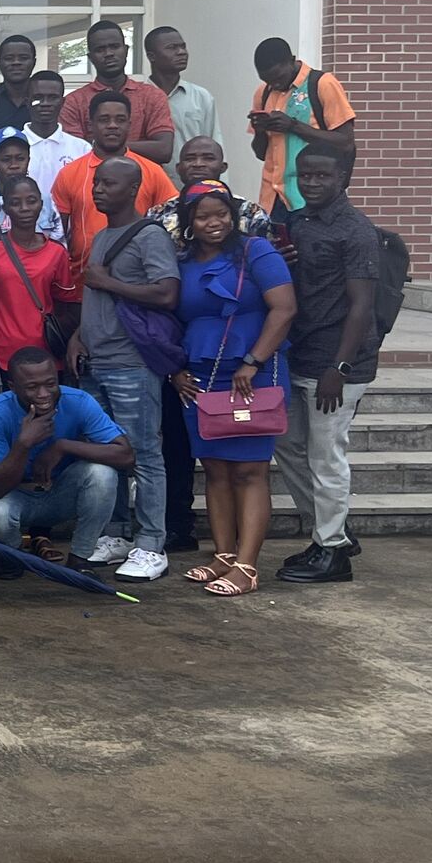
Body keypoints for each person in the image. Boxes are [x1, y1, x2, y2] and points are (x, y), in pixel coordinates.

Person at [171, 180, 297, 597]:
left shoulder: (255, 251)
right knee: (215, 468)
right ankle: (223, 555)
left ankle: (247, 565)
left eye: (222, 214)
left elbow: (284, 309)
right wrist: (174, 369)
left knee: (249, 470)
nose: (214, 223)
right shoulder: (182, 261)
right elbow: (170, 319)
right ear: (188, 221)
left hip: (253, 373)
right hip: (200, 375)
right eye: (203, 216)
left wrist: (253, 360)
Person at [272, 142, 381, 585]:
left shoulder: (356, 230)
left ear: (343, 179)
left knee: (326, 456)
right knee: (286, 444)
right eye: (306, 176)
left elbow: (362, 306)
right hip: (299, 352)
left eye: (323, 176)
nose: (313, 183)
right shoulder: (297, 222)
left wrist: (340, 368)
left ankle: (333, 552)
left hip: (336, 364)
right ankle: (330, 529)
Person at [68, 157, 181, 581]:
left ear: (133, 189)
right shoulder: (102, 236)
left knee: (144, 453)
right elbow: (98, 298)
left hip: (131, 364)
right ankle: (116, 534)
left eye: (108, 184)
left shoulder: (149, 236)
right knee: (108, 450)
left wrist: (108, 282)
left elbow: (167, 294)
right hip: (95, 362)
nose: (98, 190)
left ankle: (151, 544)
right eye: (96, 182)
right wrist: (79, 335)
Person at [0, 348, 134, 574]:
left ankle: (80, 559)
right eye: (32, 387)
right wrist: (23, 444)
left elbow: (126, 455)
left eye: (50, 384)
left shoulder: (78, 401)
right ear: (12, 387)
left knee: (102, 473)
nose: (43, 394)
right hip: (17, 497)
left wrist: (63, 446)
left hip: (61, 493)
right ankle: (14, 554)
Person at [49, 93, 177, 285]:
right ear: (91, 125)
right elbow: (57, 233)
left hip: (138, 284)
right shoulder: (69, 173)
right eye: (104, 119)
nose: (112, 125)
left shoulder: (152, 171)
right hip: (81, 282)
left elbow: (172, 223)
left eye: (120, 120)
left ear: (129, 125)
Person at [248, 36, 358, 218]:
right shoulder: (263, 92)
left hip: (311, 198)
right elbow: (261, 154)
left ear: (292, 60)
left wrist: (292, 126)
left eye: (278, 78)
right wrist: (260, 130)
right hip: (273, 200)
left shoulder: (323, 84)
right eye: (267, 80)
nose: (274, 84)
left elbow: (345, 142)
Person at [0, 175, 72, 373]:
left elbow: (65, 305)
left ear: (41, 204)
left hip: (44, 354)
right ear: (5, 208)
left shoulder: (57, 252)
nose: (24, 208)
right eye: (15, 203)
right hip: (0, 355)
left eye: (31, 201)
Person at [58, 21, 176, 164]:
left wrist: (102, 144)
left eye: (114, 47)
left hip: (145, 176)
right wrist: (137, 146)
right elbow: (74, 152)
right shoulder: (73, 102)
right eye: (100, 49)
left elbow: (163, 150)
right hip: (91, 177)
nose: (109, 54)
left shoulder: (152, 96)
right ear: (90, 58)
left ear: (126, 50)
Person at [0, 128, 64, 241]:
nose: (14, 165)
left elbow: (59, 247)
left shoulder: (47, 204)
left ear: (28, 161)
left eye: (20, 159)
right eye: (6, 160)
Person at [145, 25, 216, 158]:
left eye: (183, 47)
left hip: (192, 171)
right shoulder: (139, 98)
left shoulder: (201, 96)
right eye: (172, 48)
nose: (181, 52)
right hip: (148, 171)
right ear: (151, 56)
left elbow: (214, 143)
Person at [24, 69, 90, 202]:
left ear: (62, 102)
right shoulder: (11, 147)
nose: (45, 103)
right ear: (27, 102)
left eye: (53, 98)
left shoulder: (82, 149)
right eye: (38, 98)